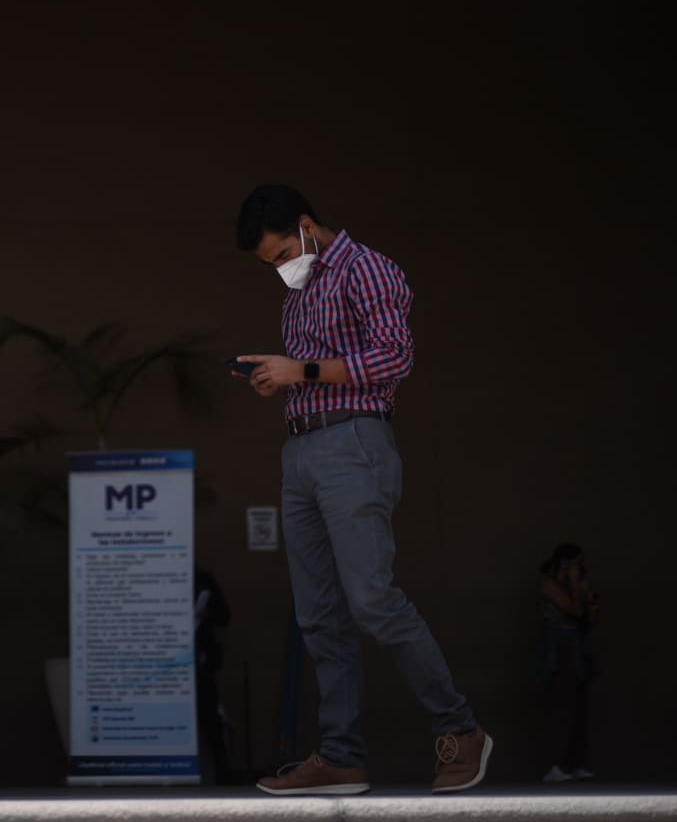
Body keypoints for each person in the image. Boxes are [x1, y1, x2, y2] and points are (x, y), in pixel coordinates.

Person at [231, 184, 491, 795]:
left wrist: (303, 371)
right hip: (302, 445)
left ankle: (462, 730)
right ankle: (341, 758)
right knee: (318, 614)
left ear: (305, 226)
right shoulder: (301, 294)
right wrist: (280, 379)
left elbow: (395, 358)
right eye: (268, 263)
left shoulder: (367, 268)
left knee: (373, 598)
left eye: (278, 255)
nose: (278, 268)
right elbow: (315, 368)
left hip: (354, 443)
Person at [534, 542, 597, 783]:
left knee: (580, 709)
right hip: (558, 653)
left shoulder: (577, 585)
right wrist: (576, 587)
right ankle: (557, 764)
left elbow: (589, 616)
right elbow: (574, 609)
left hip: (577, 651)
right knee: (562, 708)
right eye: (576, 563)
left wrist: (585, 591)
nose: (579, 568)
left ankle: (574, 763)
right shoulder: (550, 585)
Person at [193, 566, 235, 784]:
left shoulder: (202, 580)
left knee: (210, 717)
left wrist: (207, 613)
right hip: (164, 659)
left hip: (200, 659)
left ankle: (221, 772)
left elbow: (224, 616)